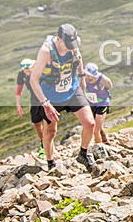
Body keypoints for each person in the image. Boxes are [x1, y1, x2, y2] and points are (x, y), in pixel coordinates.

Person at [28, 24, 96, 171]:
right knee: (51, 132)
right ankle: (51, 163)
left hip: (72, 89)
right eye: (67, 44)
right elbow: (33, 80)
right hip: (50, 96)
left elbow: (78, 58)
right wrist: (45, 103)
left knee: (90, 122)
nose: (71, 47)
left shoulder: (74, 43)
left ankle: (83, 154)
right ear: (59, 39)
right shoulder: (46, 51)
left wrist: (82, 81)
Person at [15, 58, 44, 158]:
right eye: (25, 71)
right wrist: (18, 105)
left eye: (29, 70)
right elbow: (19, 91)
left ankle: (45, 145)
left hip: (46, 95)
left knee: (48, 120)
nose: (27, 72)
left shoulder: (39, 70)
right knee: (36, 122)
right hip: (34, 98)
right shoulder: (21, 74)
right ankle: (42, 141)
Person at [84, 63, 112, 145]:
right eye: (87, 75)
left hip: (102, 103)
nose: (88, 77)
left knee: (95, 130)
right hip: (91, 103)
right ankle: (105, 139)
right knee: (96, 124)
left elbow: (109, 86)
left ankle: (99, 149)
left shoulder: (103, 79)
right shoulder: (82, 78)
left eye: (91, 75)